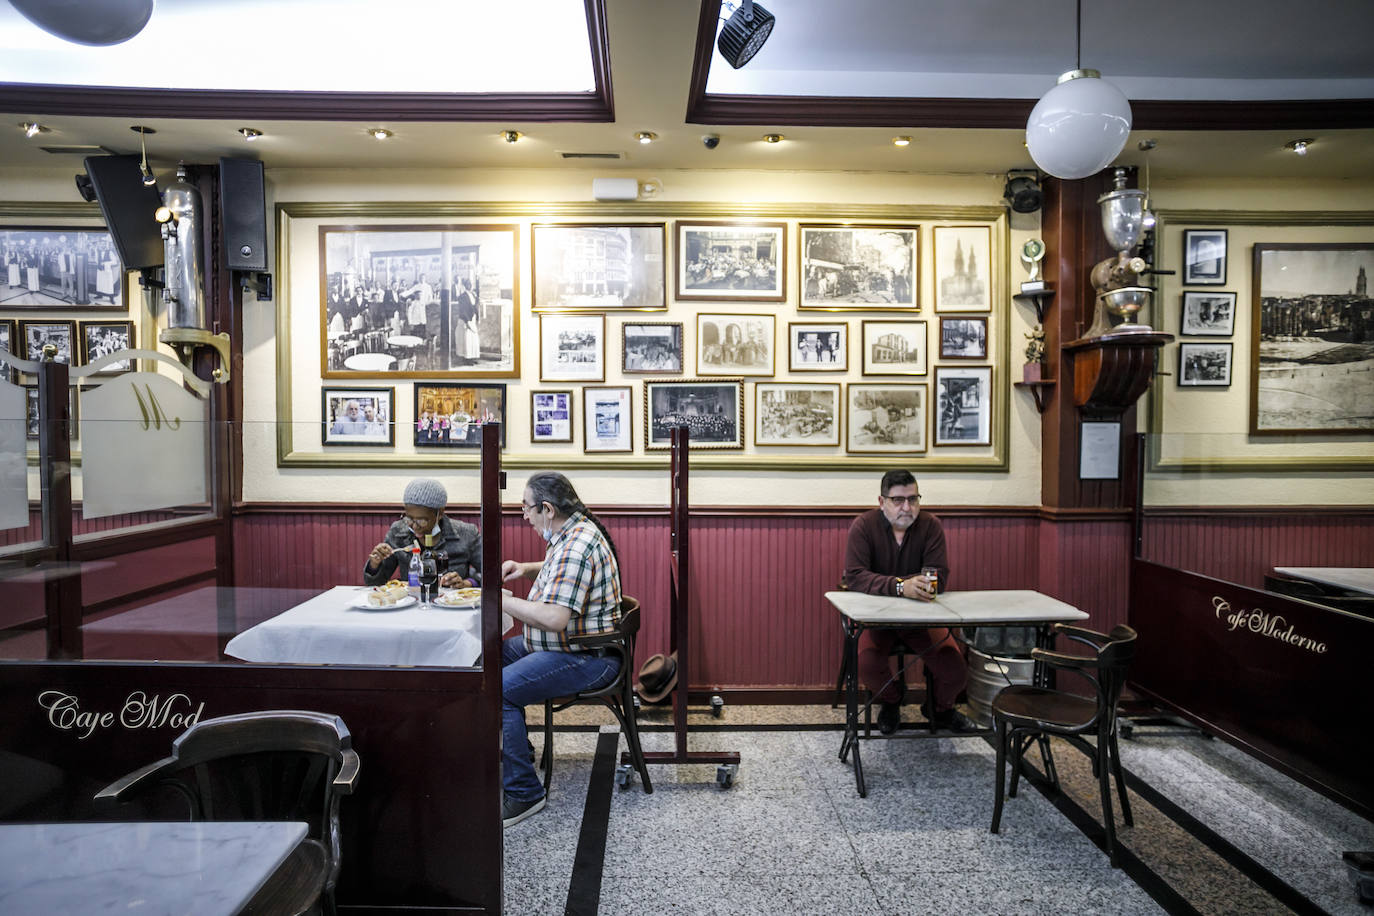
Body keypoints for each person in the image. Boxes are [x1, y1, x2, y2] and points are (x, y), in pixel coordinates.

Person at [498, 471, 622, 828]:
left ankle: (524, 793)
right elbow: (560, 571)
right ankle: (515, 749)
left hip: (585, 657)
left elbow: (553, 617)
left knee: (499, 690)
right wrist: (525, 569)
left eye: (526, 509)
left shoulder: (577, 545)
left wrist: (503, 601)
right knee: (489, 664)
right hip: (568, 647)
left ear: (547, 509)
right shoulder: (573, 532)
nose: (525, 516)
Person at [842, 469, 976, 735]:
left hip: (922, 616)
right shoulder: (864, 525)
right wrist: (901, 586)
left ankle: (939, 709)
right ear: (882, 502)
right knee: (867, 665)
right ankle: (891, 700)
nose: (907, 507)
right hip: (876, 618)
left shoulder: (930, 525)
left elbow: (938, 576)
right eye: (898, 500)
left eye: (913, 499)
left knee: (955, 669)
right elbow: (855, 577)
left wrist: (918, 585)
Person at [363, 478, 481, 588]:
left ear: (439, 513)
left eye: (422, 520)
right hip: (411, 603)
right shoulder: (398, 531)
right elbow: (375, 583)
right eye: (409, 518)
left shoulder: (467, 534)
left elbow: (490, 573)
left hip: (452, 603)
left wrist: (467, 583)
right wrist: (375, 564)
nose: (414, 526)